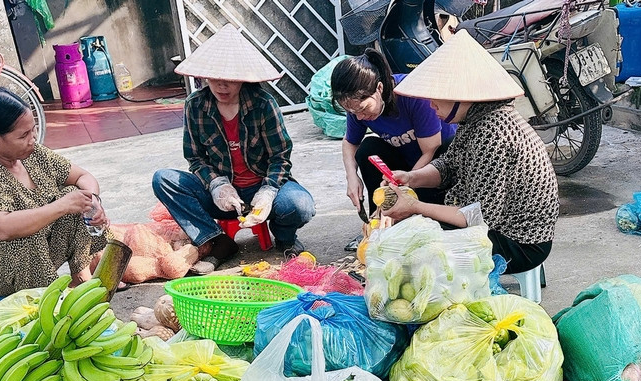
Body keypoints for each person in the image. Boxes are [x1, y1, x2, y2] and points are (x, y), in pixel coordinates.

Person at [373, 31, 558, 276]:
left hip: (519, 243)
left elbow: (476, 216)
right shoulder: (477, 120)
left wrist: (415, 206)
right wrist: (411, 177)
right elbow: (450, 165)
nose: (431, 105)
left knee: (413, 247)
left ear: (462, 95)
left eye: (437, 97)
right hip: (499, 222)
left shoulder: (492, 133)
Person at [152, 24, 314, 269]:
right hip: (221, 195)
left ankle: (285, 237)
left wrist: (268, 191)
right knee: (163, 179)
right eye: (214, 79)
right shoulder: (195, 105)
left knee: (299, 206)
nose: (221, 86)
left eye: (229, 80)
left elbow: (280, 156)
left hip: (260, 187)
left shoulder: (263, 104)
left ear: (242, 78)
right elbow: (195, 157)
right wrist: (217, 185)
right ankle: (217, 241)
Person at [0, 87, 108, 298]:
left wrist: (94, 203)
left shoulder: (32, 152)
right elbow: (4, 228)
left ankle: (81, 277)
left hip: (38, 249)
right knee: (25, 232)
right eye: (23, 135)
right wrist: (61, 206)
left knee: (77, 196)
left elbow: (83, 177)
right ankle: (46, 302)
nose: (33, 138)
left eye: (33, 130)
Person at [331, 49, 455, 248]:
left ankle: (411, 219)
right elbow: (350, 142)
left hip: (437, 164)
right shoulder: (356, 109)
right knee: (367, 149)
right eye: (353, 113)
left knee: (425, 220)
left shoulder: (412, 95)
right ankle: (377, 224)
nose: (359, 117)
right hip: (405, 162)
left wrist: (403, 186)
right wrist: (351, 177)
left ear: (379, 88)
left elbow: (431, 150)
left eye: (363, 109)